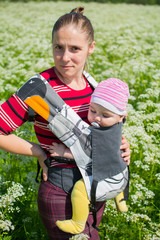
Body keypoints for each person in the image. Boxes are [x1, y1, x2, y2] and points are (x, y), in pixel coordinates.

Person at [0, 7, 130, 240]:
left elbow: (100, 133)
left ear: (91, 48)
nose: (65, 57)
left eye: (75, 49)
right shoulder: (39, 89)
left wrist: (119, 149)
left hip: (95, 188)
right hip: (61, 190)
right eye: (58, 47)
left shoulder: (95, 88)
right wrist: (38, 150)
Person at [48, 78, 129, 234]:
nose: (97, 118)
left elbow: (88, 154)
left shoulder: (98, 135)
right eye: (92, 111)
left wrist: (62, 153)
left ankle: (77, 223)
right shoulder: (117, 125)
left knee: (79, 189)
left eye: (105, 115)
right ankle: (121, 200)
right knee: (118, 171)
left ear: (120, 116)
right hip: (120, 176)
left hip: (107, 178)